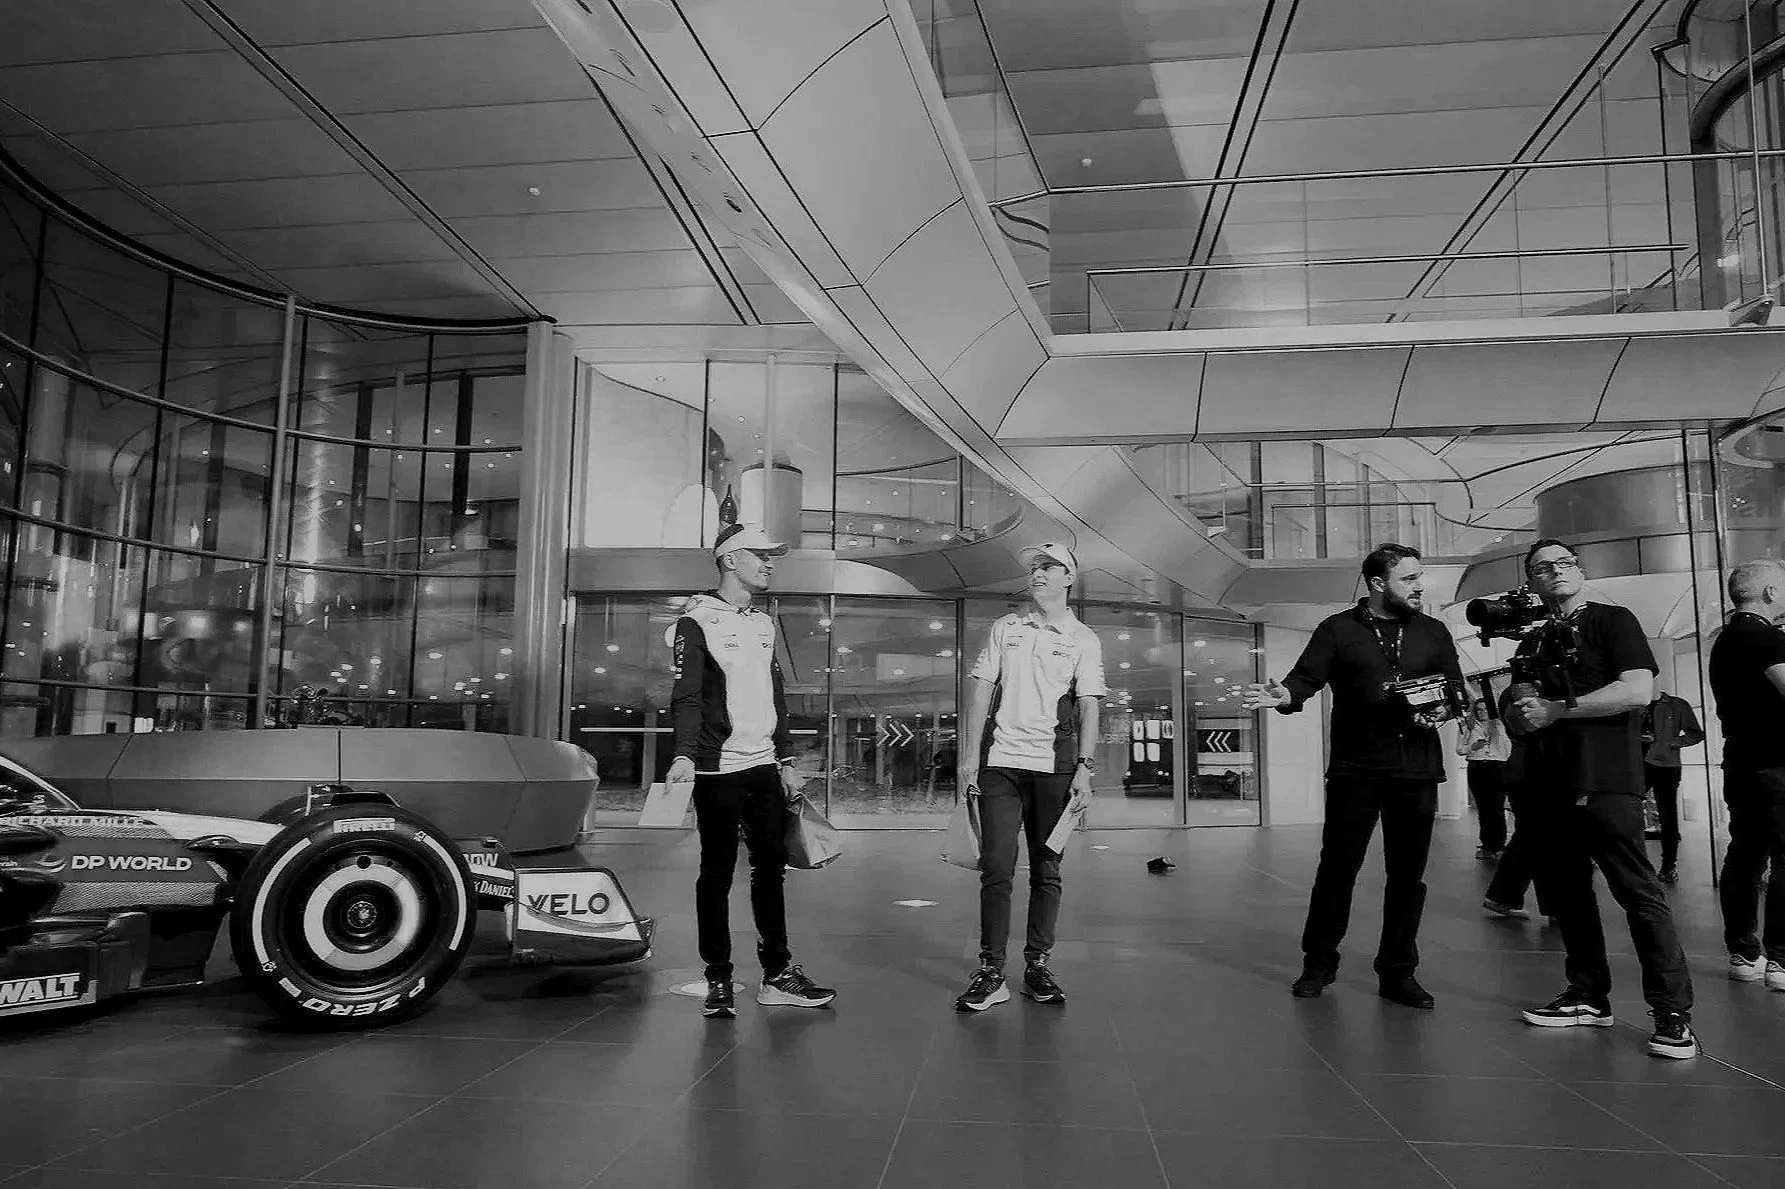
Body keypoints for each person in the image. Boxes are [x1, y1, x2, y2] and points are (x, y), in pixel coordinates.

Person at [1243, 542, 1463, 1010]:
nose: (1420, 585)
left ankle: (1398, 972)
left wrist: (1442, 706)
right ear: (1379, 584)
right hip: (1355, 769)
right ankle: (1318, 963)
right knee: (1338, 869)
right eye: (1409, 578)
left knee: (1409, 876)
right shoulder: (1337, 630)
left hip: (1416, 770)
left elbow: (1454, 689)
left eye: (1420, 576)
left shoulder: (1434, 632)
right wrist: (1283, 696)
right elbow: (1304, 680)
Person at [1505, 539, 1697, 1059]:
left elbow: (1637, 690)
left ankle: (1672, 1013)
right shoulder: (1533, 637)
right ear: (1531, 580)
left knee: (1637, 893)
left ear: (1579, 571)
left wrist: (1555, 712)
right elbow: (1522, 701)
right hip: (1551, 782)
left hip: (1608, 778)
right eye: (1543, 567)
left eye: (1564, 563)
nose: (1556, 572)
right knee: (1569, 896)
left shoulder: (1613, 620)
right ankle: (1589, 995)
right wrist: (1521, 703)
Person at [667, 522, 835, 1019]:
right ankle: (718, 977)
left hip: (763, 768)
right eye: (759, 556)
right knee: (715, 873)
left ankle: (777, 975)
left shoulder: (763, 624)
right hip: (717, 771)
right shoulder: (695, 621)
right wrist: (683, 754)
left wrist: (785, 759)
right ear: (730, 560)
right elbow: (688, 696)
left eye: (771, 557)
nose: (769, 563)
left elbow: (776, 697)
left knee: (770, 871)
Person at [955, 542, 1105, 1012]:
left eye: (1049, 567)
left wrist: (1084, 767)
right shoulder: (1007, 627)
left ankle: (1037, 963)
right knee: (997, 866)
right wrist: (968, 757)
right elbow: (981, 689)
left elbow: (1089, 705)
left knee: (1047, 868)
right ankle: (991, 970)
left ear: (1068, 579)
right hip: (1001, 763)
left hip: (1055, 769)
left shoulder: (1083, 638)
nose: (1038, 573)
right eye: (1034, 568)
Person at [1705, 559, 1785, 991]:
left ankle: (1743, 951)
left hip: (1740, 759)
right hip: (1777, 762)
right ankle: (1781, 960)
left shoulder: (1726, 639)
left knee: (1746, 855)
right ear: (1770, 593)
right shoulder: (1764, 637)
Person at [1640, 685, 1705, 884]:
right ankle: (1636, 867)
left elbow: (1695, 734)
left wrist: (1668, 743)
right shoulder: (1633, 705)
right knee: (1626, 813)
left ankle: (1668, 866)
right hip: (1635, 764)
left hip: (1666, 765)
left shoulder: (1676, 705)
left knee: (1668, 817)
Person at [1459, 698, 1512, 860]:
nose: (1482, 712)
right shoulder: (1469, 725)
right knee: (1483, 808)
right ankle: (1488, 845)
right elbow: (1460, 749)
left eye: (1485, 709)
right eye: (1479, 709)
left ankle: (1499, 845)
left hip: (1498, 766)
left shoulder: (1501, 723)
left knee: (1496, 807)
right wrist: (1472, 747)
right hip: (1477, 766)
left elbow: (1508, 746)